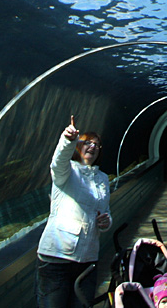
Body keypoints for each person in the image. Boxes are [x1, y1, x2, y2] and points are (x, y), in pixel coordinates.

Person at [36, 116, 112, 308]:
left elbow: (105, 210)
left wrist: (106, 221)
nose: (93, 147)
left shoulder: (102, 179)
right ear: (79, 146)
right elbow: (57, 161)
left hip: (87, 259)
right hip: (57, 258)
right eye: (87, 142)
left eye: (97, 145)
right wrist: (67, 140)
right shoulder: (67, 171)